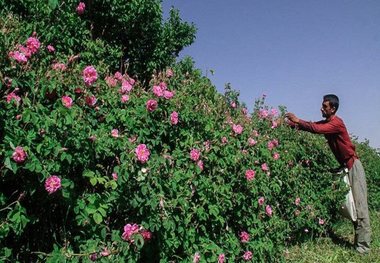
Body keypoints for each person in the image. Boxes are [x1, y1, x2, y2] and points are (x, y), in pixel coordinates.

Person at [285, 94, 371, 254]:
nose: (321, 108)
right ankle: (358, 243)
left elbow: (316, 129)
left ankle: (363, 248)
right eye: (322, 105)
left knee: (360, 207)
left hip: (354, 167)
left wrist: (297, 120)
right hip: (345, 166)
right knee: (351, 205)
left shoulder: (336, 123)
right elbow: (311, 126)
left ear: (333, 108)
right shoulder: (328, 123)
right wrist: (290, 125)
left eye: (325, 107)